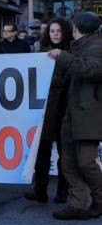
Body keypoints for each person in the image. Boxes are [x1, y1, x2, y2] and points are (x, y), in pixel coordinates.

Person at [47, 13, 102, 220]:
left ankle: (99, 199)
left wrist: (64, 57)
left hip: (88, 114)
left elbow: (93, 70)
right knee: (68, 163)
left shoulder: (96, 46)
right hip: (73, 113)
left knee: (86, 162)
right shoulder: (80, 46)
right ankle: (78, 204)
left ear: (76, 28)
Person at [25, 18, 72, 204]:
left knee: (64, 152)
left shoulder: (71, 52)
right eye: (52, 31)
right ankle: (40, 190)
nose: (55, 34)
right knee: (42, 150)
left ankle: (62, 191)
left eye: (59, 31)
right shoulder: (41, 52)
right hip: (44, 109)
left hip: (65, 107)